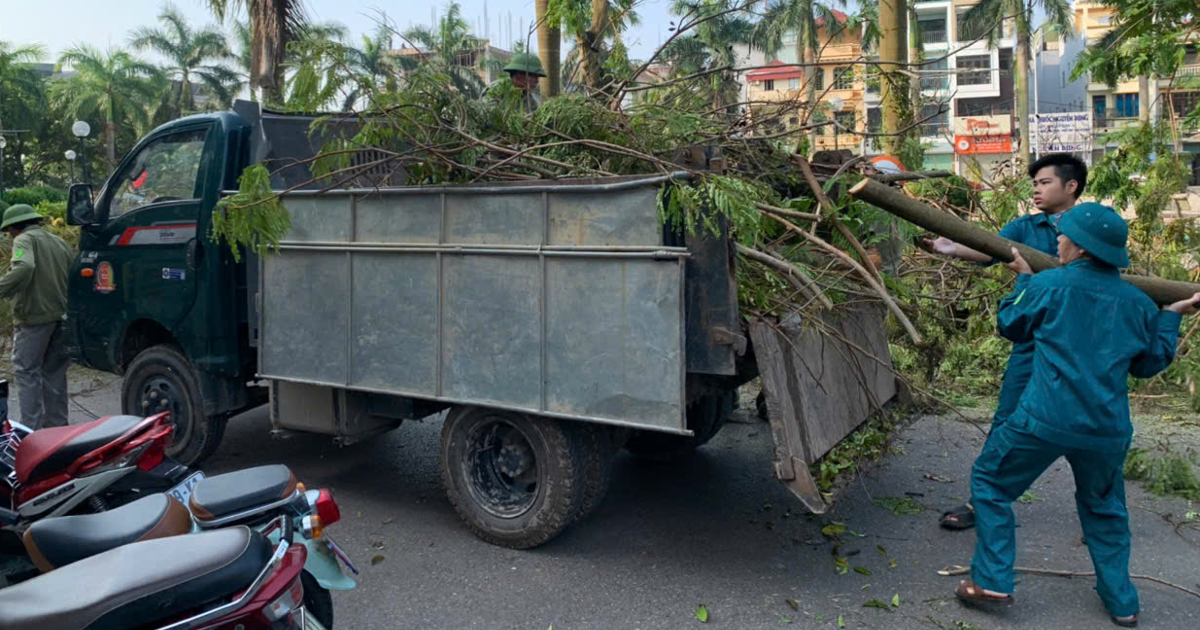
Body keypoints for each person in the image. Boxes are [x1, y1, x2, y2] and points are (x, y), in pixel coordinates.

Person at [955, 202, 1200, 628]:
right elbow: (1146, 366)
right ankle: (1122, 601)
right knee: (1104, 509)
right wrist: (1170, 316)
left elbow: (1011, 324)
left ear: (1082, 248)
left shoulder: (1050, 285)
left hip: (1043, 420)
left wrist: (1024, 282)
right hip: (1106, 429)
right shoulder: (1139, 303)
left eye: (1063, 236)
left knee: (990, 484)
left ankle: (993, 579)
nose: (1058, 241)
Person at [927, 153, 1089, 530]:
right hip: (1032, 336)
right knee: (1008, 417)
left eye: (1045, 182)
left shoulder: (1093, 227)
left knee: (1085, 426)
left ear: (1071, 186)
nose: (1036, 188)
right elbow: (989, 249)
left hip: (1080, 342)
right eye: (1034, 183)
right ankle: (981, 501)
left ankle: (1098, 517)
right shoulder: (1026, 226)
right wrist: (952, 248)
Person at [0, 204, 74, 429]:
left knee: (26, 371)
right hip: (61, 318)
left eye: (9, 231)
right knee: (54, 373)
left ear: (14, 227)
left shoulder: (23, 240)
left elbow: (24, 267)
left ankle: (29, 431)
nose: (9, 235)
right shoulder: (59, 243)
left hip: (34, 318)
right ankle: (58, 430)